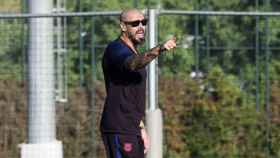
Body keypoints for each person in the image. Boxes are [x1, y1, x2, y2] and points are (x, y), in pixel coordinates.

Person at [100, 8, 176, 158]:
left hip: (131, 127)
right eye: (135, 23)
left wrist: (140, 127)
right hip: (119, 128)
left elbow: (131, 96)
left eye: (144, 22)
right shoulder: (116, 49)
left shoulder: (132, 50)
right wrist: (159, 49)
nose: (141, 27)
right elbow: (133, 64)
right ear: (123, 26)